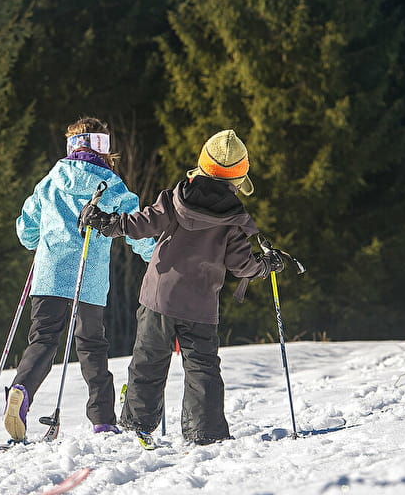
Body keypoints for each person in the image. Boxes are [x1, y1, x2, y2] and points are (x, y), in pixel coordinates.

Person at [78, 129, 284, 448]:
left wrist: (107, 223)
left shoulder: (176, 198)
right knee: (202, 368)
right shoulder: (234, 220)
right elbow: (241, 265)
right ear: (237, 178)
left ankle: (137, 423)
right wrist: (266, 264)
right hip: (200, 306)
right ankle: (206, 432)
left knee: (148, 359)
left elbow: (141, 223)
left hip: (159, 296)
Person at [4, 118, 155, 441]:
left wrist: (37, 239)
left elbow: (26, 229)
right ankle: (102, 418)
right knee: (92, 347)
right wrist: (154, 255)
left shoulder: (50, 181)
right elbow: (135, 226)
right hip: (89, 278)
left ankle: (21, 389)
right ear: (102, 147)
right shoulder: (112, 185)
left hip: (49, 274)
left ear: (72, 146)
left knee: (43, 339)